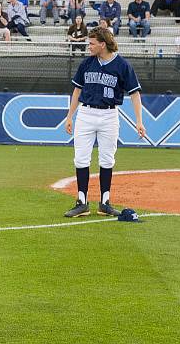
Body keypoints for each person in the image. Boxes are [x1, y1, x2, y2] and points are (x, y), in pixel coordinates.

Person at [64, 27, 145, 218]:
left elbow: (135, 94)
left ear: (102, 44)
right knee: (81, 158)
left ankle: (105, 203)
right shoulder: (86, 63)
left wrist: (139, 121)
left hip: (109, 115)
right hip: (86, 113)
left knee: (107, 159)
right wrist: (69, 116)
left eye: (92, 43)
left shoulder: (122, 65)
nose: (88, 46)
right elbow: (77, 91)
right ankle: (82, 202)